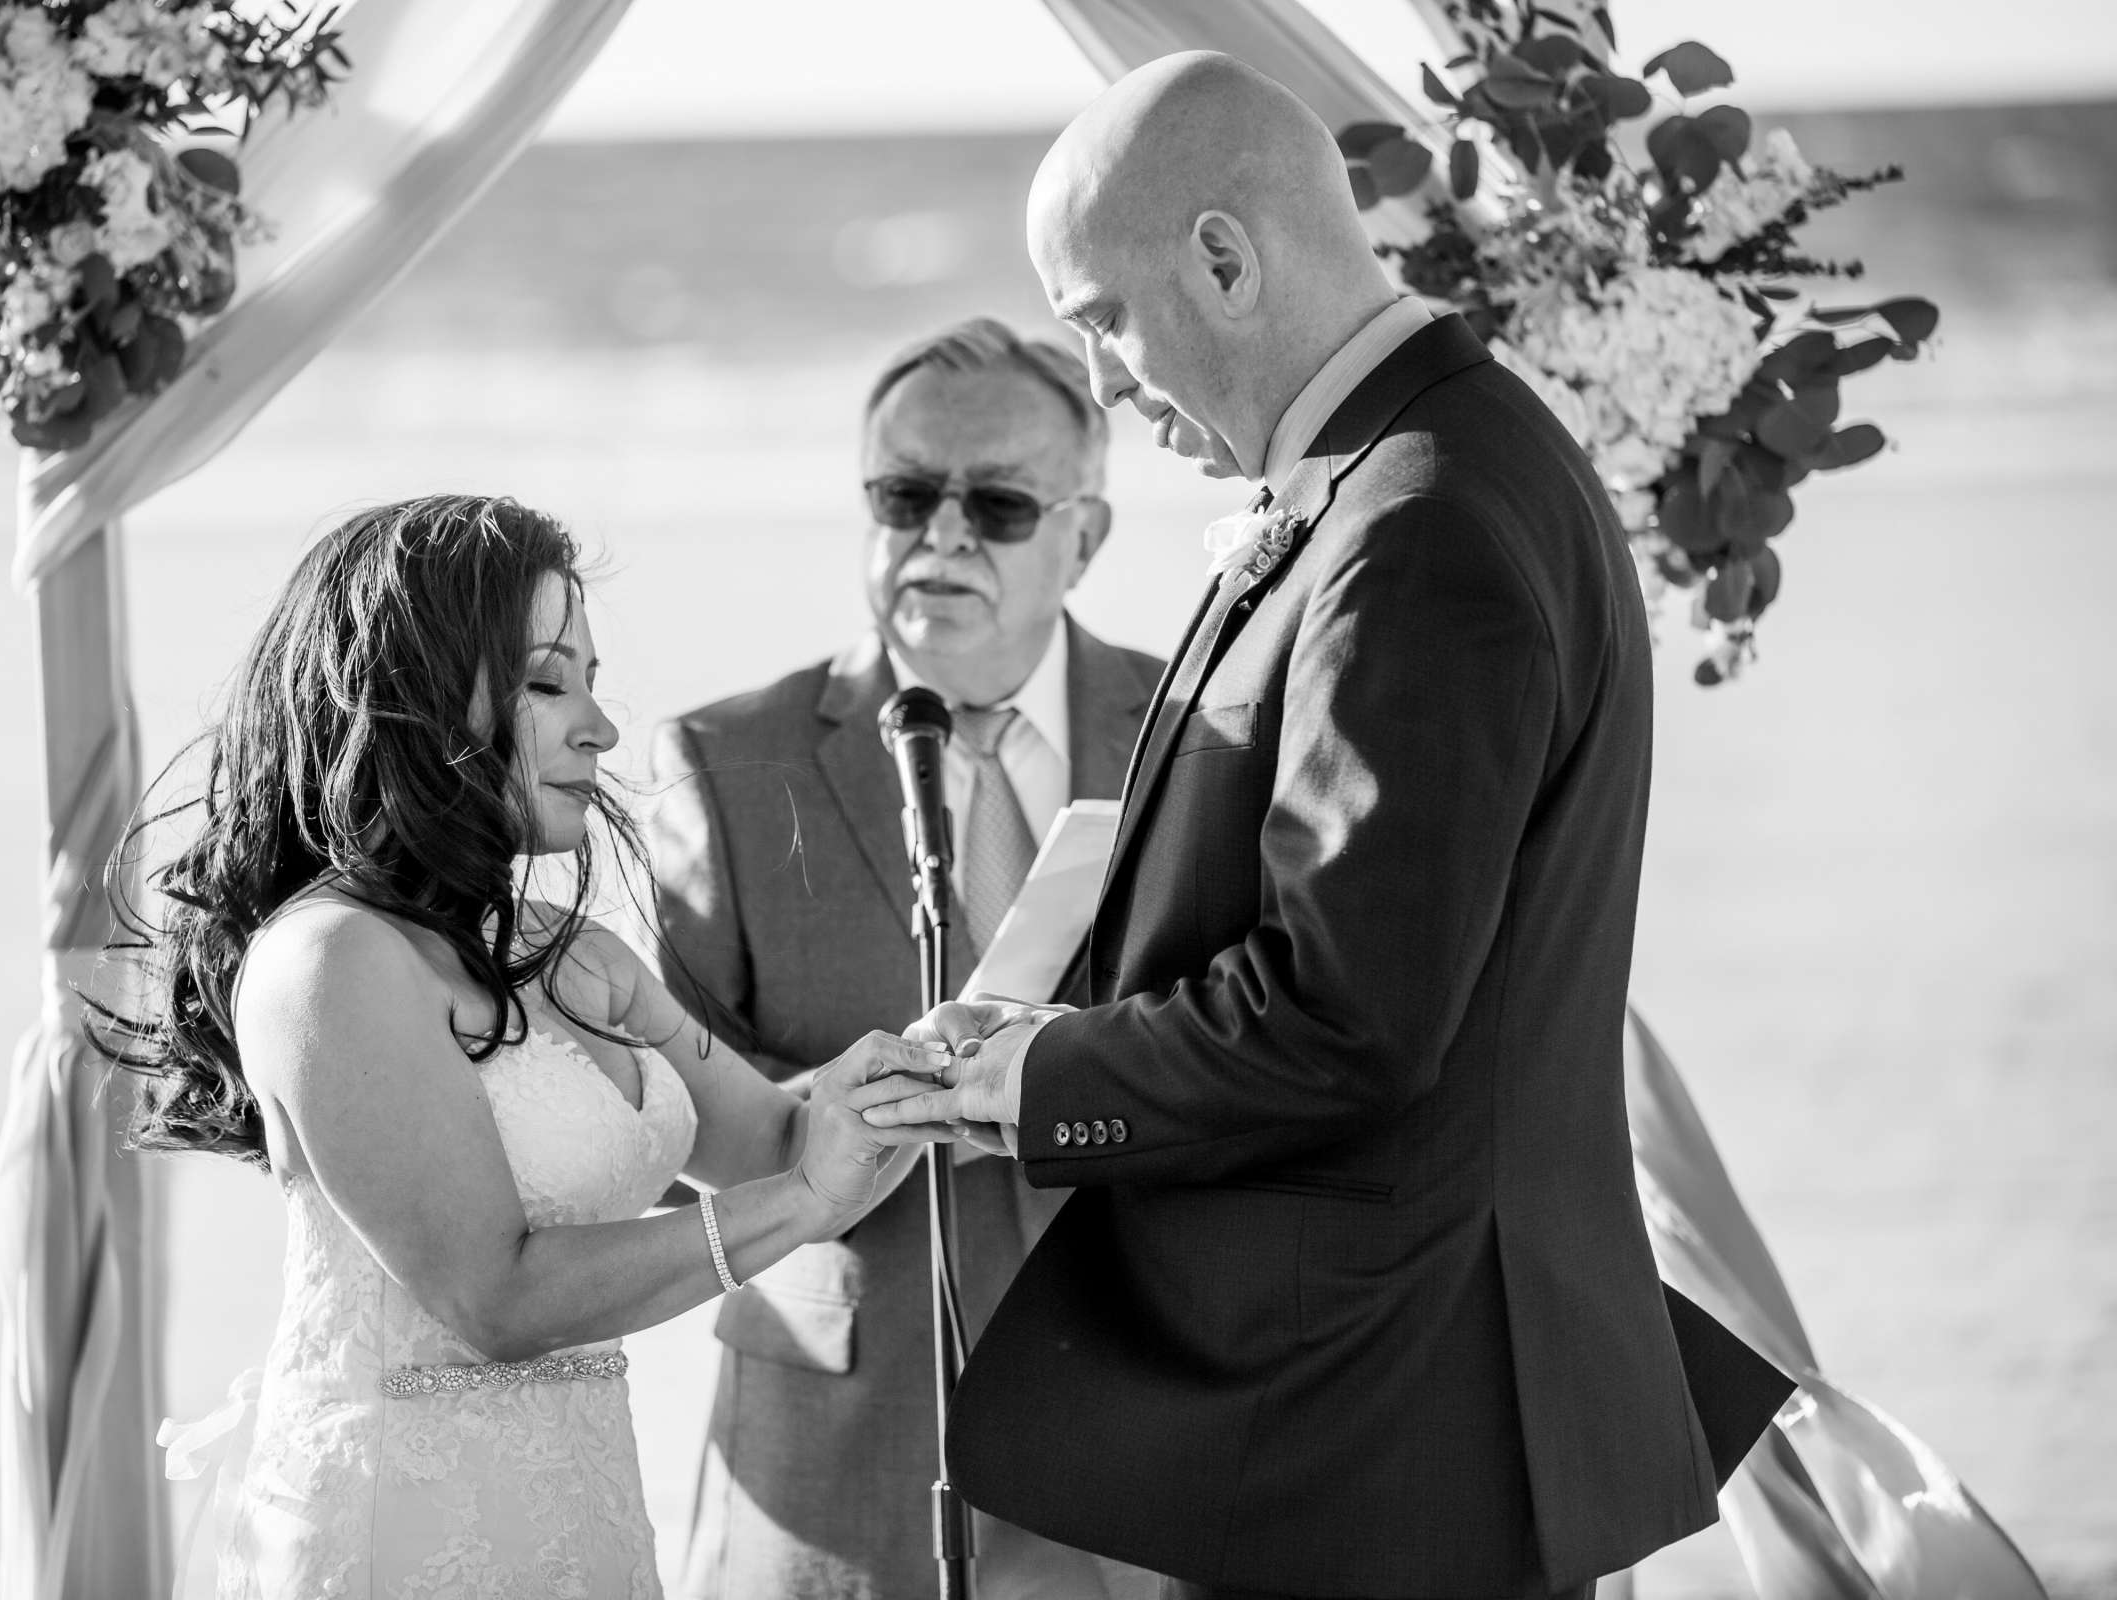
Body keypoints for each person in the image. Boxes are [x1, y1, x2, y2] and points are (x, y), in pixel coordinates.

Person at [865, 54, 1787, 1600]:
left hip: (1380, 1443)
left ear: (1223, 257)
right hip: (1397, 1423)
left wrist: (1029, 1076)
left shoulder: (1414, 523)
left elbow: (1351, 1017)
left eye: (1101, 320)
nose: (1103, 379)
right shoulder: (1430, 463)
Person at [111, 494, 950, 1597]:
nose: (599, 725)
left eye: (591, 681)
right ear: (411, 699)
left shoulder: (569, 954)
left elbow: (777, 1141)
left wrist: (925, 1065)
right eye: (549, 683)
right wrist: (798, 1206)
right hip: (400, 1546)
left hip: (581, 1525)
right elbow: (493, 1297)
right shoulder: (330, 962)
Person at [647, 319, 1166, 1600]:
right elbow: (659, 1134)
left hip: (1138, 1437)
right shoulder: (723, 763)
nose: (940, 537)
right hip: (840, 1454)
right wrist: (857, 1104)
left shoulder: (1192, 738)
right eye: (903, 494)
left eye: (994, 504)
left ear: (1084, 537)